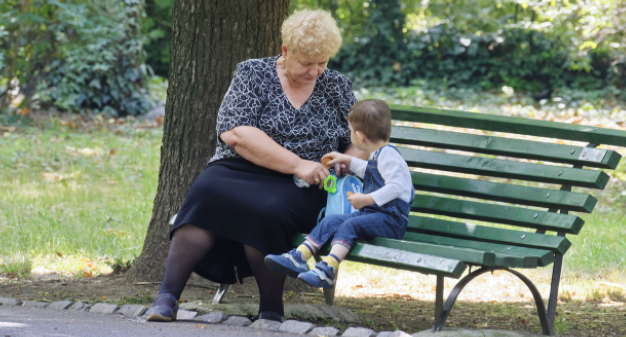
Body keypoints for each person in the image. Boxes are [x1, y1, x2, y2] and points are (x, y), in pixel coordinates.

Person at [144, 9, 366, 323]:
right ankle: (167, 296)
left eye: (323, 62)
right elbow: (236, 133)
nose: (315, 71)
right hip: (241, 169)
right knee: (207, 190)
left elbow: (359, 139)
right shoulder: (253, 73)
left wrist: (348, 159)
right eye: (306, 63)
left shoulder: (337, 87)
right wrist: (295, 163)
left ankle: (271, 308)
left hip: (303, 186)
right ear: (286, 51)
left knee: (267, 209)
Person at [264, 99, 415, 288]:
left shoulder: (389, 155)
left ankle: (328, 269)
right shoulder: (380, 154)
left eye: (350, 130)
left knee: (351, 224)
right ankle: (299, 256)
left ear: (360, 136)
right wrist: (347, 160)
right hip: (375, 215)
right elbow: (368, 170)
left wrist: (367, 199)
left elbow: (397, 187)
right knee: (330, 221)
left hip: (391, 221)